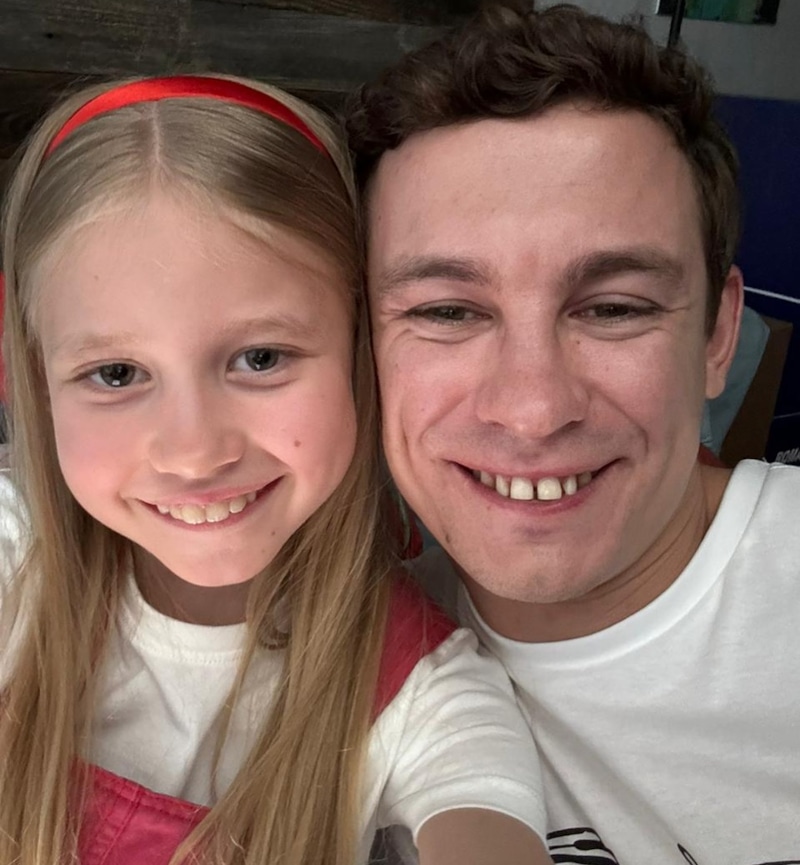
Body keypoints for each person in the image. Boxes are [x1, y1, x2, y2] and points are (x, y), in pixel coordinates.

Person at [0, 75, 552, 865]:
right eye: (116, 374)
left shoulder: (424, 690)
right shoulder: (16, 555)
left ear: (361, 353)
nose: (194, 451)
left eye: (261, 358)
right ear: (38, 379)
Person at [345, 2, 800, 862]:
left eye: (614, 308)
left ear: (718, 334)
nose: (533, 408)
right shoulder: (331, 666)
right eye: (447, 311)